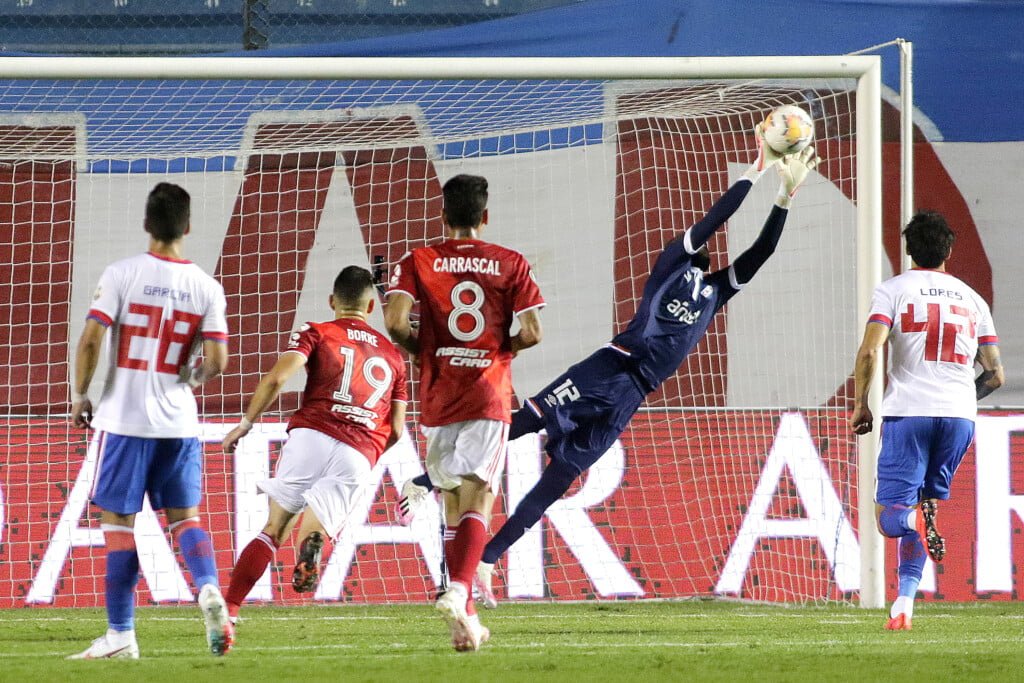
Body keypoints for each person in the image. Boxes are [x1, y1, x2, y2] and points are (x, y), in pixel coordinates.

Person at [461, 131, 820, 608]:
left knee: (559, 479)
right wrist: (757, 167)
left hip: (633, 395)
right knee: (525, 421)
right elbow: (716, 218)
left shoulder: (715, 293)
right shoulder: (673, 260)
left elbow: (761, 253)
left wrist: (785, 196)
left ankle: (486, 560)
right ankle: (427, 483)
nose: (710, 245)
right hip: (610, 367)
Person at [69, 182, 232, 659]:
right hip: (179, 423)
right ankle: (206, 587)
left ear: (146, 224)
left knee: (118, 523)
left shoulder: (122, 273)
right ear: (187, 228)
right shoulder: (207, 286)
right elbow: (219, 361)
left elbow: (91, 340)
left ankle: (121, 636)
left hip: (126, 421)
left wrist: (81, 395)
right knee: (186, 518)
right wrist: (193, 376)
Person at [384, 173, 544, 651]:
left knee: (452, 505)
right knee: (481, 497)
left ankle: (466, 621)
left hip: (438, 395)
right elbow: (533, 331)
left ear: (443, 215)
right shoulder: (510, 262)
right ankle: (458, 590)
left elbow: (394, 322)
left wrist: (425, 352)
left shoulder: (419, 259)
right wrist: (499, 350)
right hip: (486, 394)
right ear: (485, 216)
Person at [220, 265, 408, 626]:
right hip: (359, 450)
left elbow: (277, 378)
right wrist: (369, 454)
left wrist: (245, 425)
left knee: (274, 529)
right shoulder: (393, 356)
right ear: (371, 308)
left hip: (312, 435)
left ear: (332, 301)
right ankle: (314, 544)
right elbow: (397, 430)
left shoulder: (318, 331)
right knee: (317, 528)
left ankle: (230, 610)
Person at [850, 211, 1003, 631]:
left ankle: (914, 523)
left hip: (909, 412)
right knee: (924, 503)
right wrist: (958, 401)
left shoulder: (893, 291)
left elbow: (869, 352)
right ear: (949, 251)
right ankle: (904, 604)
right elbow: (995, 374)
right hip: (959, 419)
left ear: (907, 249)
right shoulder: (974, 300)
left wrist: (862, 404)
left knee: (891, 516)